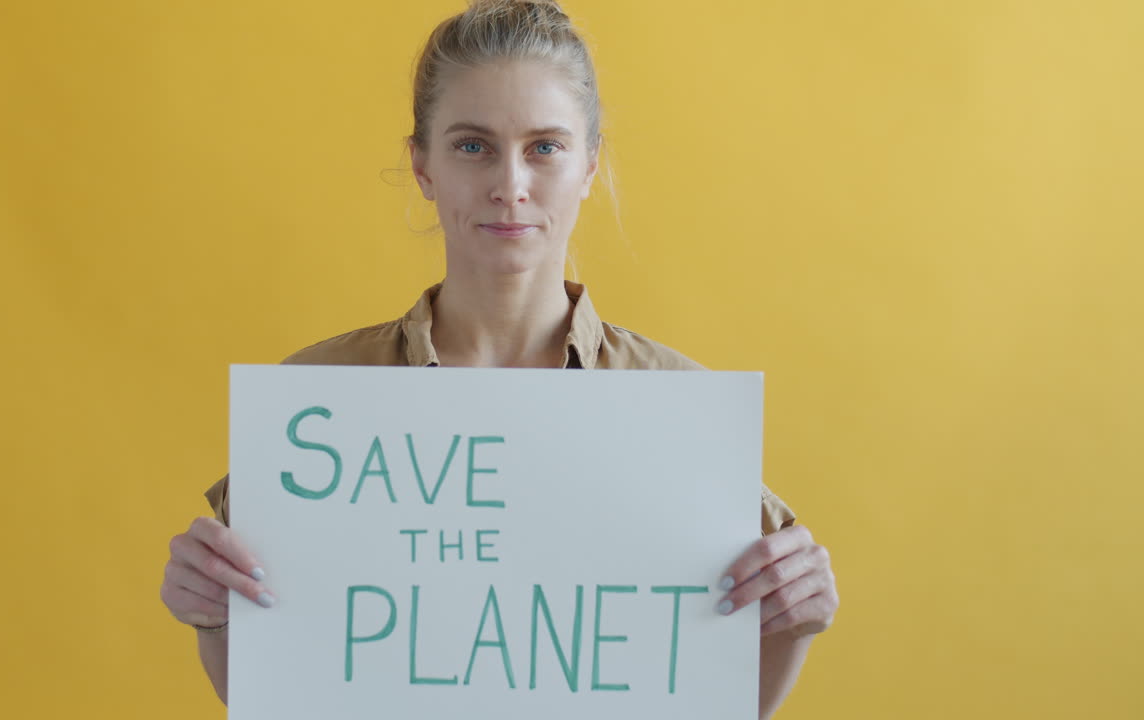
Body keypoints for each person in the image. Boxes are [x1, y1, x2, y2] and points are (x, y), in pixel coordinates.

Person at [160, 0, 839, 716]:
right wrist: (212, 610)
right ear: (422, 164)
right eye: (472, 145)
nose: (510, 184)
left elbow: (706, 695)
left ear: (589, 165)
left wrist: (795, 623)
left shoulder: (678, 408)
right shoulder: (319, 402)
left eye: (545, 147)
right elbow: (283, 686)